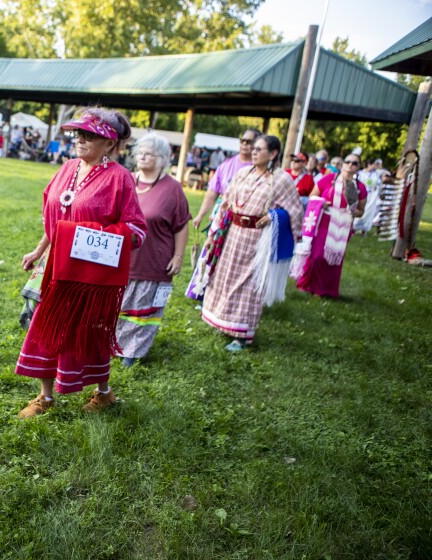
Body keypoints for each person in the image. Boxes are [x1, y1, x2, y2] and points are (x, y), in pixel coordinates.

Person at [15, 108, 147, 417]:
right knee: (45, 327)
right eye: (79, 134)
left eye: (91, 136)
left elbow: (137, 229)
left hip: (90, 275)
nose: (81, 140)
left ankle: (103, 393)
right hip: (55, 267)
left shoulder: (120, 178)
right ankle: (45, 397)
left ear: (110, 143)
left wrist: (87, 237)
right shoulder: (68, 168)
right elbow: (57, 219)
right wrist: (38, 250)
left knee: (88, 333)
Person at [200, 135, 302, 351]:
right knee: (226, 278)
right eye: (253, 148)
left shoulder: (281, 180)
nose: (254, 152)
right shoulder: (242, 173)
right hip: (232, 234)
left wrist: (275, 216)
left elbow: (294, 212)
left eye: (259, 149)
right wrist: (214, 232)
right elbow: (225, 203)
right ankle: (223, 320)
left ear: (273, 154)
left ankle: (242, 335)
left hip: (257, 239)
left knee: (249, 285)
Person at [116, 133, 191, 368]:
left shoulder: (173, 189)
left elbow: (181, 226)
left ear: (163, 159)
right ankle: (115, 344)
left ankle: (133, 351)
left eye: (149, 153)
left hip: (155, 261)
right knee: (118, 304)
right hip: (122, 259)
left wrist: (178, 257)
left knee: (144, 309)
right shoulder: (126, 180)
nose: (143, 156)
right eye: (140, 152)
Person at [295, 153, 367, 298]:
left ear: (358, 168)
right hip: (325, 221)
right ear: (342, 164)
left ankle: (324, 290)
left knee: (334, 258)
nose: (350, 165)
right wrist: (322, 203)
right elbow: (312, 197)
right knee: (317, 256)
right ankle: (308, 284)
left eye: (355, 163)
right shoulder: (328, 179)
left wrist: (352, 213)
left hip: (343, 225)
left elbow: (360, 211)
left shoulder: (358, 187)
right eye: (348, 161)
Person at [192, 128, 260, 229]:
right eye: (242, 140)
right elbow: (212, 191)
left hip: (242, 221)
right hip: (220, 216)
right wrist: (201, 215)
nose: (244, 144)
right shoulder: (226, 164)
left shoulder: (258, 169)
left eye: (249, 142)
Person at [353, 158, 382, 235]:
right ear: (369, 164)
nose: (375, 166)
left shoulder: (375, 174)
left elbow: (378, 184)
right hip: (361, 195)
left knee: (368, 213)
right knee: (359, 210)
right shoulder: (360, 173)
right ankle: (354, 229)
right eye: (374, 164)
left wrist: (376, 187)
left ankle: (364, 230)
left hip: (371, 196)